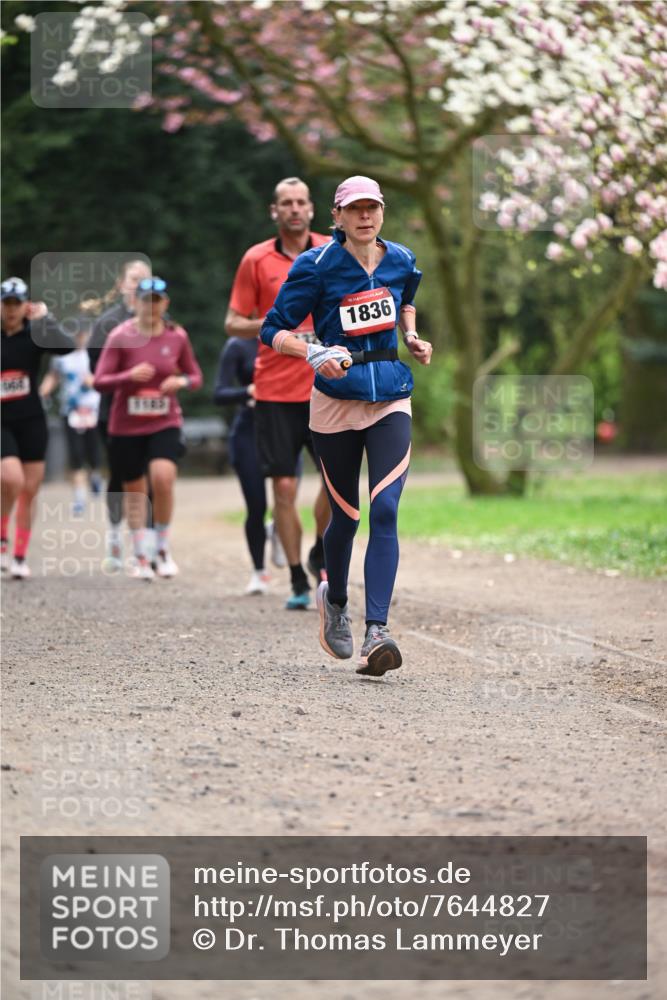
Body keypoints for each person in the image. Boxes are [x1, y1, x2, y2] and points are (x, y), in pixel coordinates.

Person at [261, 176, 432, 676]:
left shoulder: (401, 258)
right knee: (347, 517)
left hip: (390, 398)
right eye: (354, 209)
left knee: (386, 508)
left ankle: (377, 631)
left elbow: (405, 299)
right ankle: (334, 600)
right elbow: (273, 328)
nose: (364, 216)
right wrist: (313, 353)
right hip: (335, 404)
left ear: (382, 212)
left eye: (372, 208)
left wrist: (412, 335)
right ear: (336, 216)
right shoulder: (315, 266)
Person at [225, 176, 331, 610]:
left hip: (328, 386)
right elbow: (232, 323)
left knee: (336, 483)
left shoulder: (332, 251)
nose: (294, 209)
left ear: (312, 209)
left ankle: (320, 553)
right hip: (274, 392)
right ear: (275, 211)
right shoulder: (256, 259)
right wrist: (275, 326)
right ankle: (296, 579)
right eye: (286, 203)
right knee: (283, 487)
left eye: (301, 202)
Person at [93, 277, 202, 580]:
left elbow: (195, 376)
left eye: (157, 300)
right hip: (126, 426)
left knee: (163, 478)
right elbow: (100, 381)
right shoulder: (120, 336)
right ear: (135, 303)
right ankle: (141, 554)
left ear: (165, 303)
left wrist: (180, 381)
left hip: (164, 421)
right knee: (135, 490)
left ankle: (162, 548)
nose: (151, 306)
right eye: (146, 300)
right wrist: (128, 376)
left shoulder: (177, 336)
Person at [1, 277, 74, 578]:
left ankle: (19, 556)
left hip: (31, 419)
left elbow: (67, 347)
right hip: (1, 421)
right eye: (6, 303)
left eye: (17, 304)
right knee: (11, 479)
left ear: (26, 306)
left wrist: (47, 319)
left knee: (29, 490)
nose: (11, 310)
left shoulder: (34, 334)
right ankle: (2, 537)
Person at [87, 259, 151, 569]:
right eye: (134, 279)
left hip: (151, 411)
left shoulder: (162, 320)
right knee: (119, 472)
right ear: (121, 285)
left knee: (150, 473)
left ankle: (147, 544)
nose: (139, 285)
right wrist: (127, 376)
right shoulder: (107, 323)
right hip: (113, 411)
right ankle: (114, 536)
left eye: (144, 278)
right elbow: (94, 366)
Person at [213, 336, 289, 595]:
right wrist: (248, 391)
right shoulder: (238, 345)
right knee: (256, 506)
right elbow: (219, 393)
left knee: (286, 495)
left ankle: (279, 528)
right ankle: (259, 572)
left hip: (285, 431)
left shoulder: (295, 338)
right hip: (249, 432)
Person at [40, 324, 102, 516]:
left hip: (92, 411)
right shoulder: (61, 357)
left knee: (94, 453)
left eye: (83, 334)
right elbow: (53, 377)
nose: (80, 338)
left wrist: (94, 382)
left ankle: (95, 475)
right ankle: (79, 497)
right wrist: (41, 393)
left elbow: (106, 377)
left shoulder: (94, 354)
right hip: (70, 411)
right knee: (76, 454)